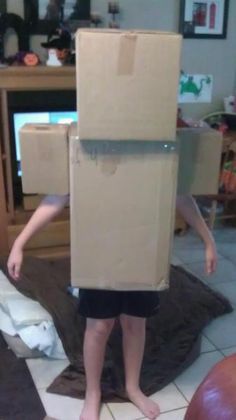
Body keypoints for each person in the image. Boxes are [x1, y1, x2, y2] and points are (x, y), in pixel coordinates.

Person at [7, 194, 217, 420]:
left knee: (135, 323)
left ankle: (133, 387)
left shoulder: (158, 158)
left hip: (142, 251)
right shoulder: (86, 159)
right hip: (98, 252)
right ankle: (92, 392)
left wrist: (208, 239)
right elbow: (56, 198)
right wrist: (20, 243)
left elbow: (181, 194)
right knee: (98, 327)